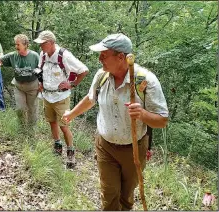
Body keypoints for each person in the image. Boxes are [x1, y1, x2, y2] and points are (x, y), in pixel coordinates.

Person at [62, 33, 169, 210]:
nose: (99, 59)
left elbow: (162, 120)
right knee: (109, 194)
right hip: (106, 146)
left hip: (134, 149)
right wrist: (71, 114)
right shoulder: (102, 76)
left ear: (121, 57)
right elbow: (90, 99)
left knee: (126, 196)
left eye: (104, 55)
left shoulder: (145, 81)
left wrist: (142, 114)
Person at [34, 30, 89, 168]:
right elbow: (40, 70)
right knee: (52, 122)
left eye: (43, 43)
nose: (40, 46)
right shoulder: (43, 55)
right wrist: (40, 83)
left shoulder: (64, 55)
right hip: (47, 95)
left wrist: (72, 84)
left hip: (61, 97)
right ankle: (57, 146)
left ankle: (70, 154)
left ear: (51, 42)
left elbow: (84, 70)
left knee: (64, 126)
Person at [0, 34, 40, 132]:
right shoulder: (13, 55)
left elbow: (42, 69)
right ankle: (22, 129)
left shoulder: (34, 56)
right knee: (20, 109)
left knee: (32, 109)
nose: (16, 47)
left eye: (18, 45)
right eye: (15, 44)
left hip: (32, 86)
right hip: (19, 86)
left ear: (25, 45)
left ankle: (31, 131)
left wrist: (42, 84)